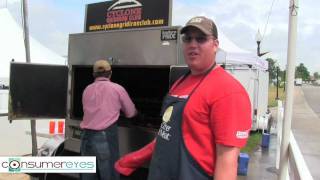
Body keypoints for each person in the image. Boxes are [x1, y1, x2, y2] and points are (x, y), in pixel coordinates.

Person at [115, 16, 252, 180]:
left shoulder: (228, 92)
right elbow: (167, 136)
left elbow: (227, 163)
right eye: (188, 39)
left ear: (215, 45)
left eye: (201, 39)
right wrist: (133, 159)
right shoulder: (180, 82)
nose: (193, 44)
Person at [80, 59, 137, 180]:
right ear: (110, 73)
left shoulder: (86, 90)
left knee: (88, 176)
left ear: (94, 74)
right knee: (109, 175)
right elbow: (131, 113)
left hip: (85, 138)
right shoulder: (117, 89)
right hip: (104, 138)